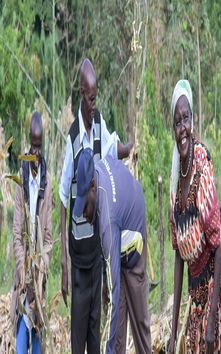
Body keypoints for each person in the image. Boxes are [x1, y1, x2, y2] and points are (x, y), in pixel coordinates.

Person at [59, 58, 133, 353]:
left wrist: (130, 149)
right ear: (81, 95)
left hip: (98, 251)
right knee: (78, 337)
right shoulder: (73, 139)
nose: (93, 104)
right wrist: (64, 265)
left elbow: (116, 148)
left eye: (96, 98)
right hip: (78, 257)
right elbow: (64, 199)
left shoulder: (100, 124)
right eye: (90, 99)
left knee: (94, 329)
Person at [72, 148, 151, 353]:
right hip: (118, 225)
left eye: (85, 206)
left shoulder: (107, 217)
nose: (85, 215)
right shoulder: (94, 172)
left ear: (92, 187)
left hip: (133, 232)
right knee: (117, 332)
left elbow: (115, 289)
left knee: (138, 317)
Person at [168, 80, 221, 354]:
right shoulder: (175, 181)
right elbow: (179, 256)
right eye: (177, 122)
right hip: (195, 293)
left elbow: (218, 244)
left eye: (186, 119)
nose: (183, 129)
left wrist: (214, 315)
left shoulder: (202, 165)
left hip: (215, 285)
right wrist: (171, 331)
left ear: (193, 120)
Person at [11, 112, 53, 353]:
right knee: (20, 341)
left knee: (37, 343)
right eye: (32, 145)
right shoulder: (21, 181)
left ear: (42, 144)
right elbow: (17, 234)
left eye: (39, 146)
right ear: (29, 141)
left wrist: (38, 274)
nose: (35, 152)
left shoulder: (47, 184)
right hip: (22, 282)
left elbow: (48, 240)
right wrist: (24, 272)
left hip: (40, 285)